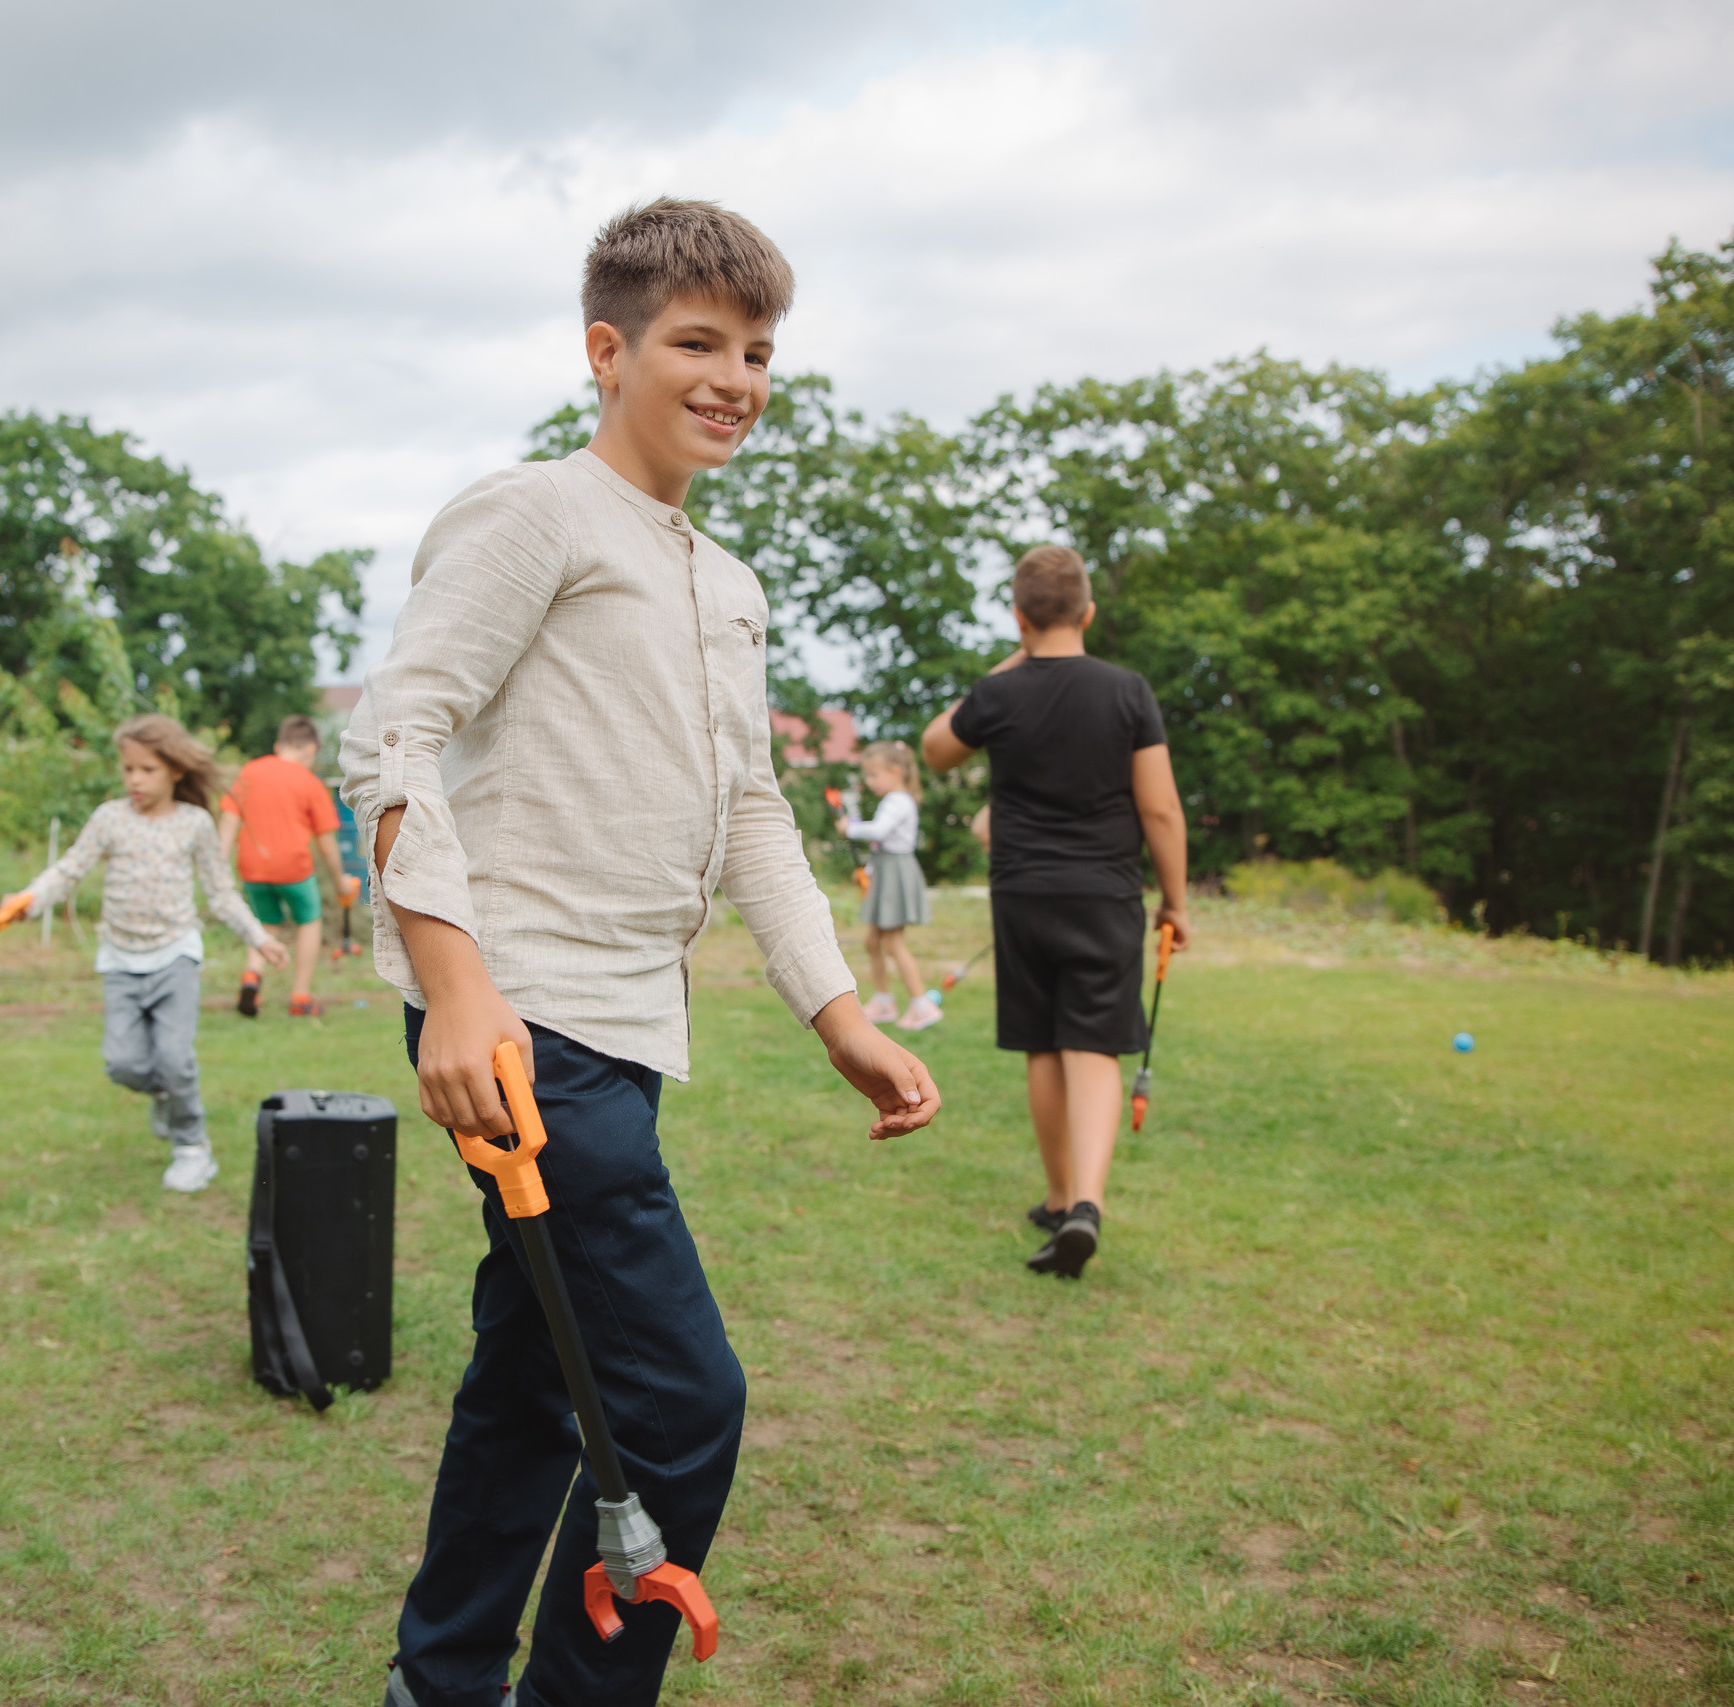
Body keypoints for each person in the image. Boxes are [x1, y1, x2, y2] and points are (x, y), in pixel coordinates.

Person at [342, 198, 942, 1707]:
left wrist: (839, 1012)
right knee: (682, 1397)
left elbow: (748, 806)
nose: (735, 374)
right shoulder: (532, 512)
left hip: (628, 1025)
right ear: (608, 351)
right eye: (698, 342)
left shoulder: (726, 583)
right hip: (526, 1025)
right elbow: (391, 735)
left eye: (757, 349)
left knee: (538, 1379)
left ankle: (443, 1674)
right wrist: (455, 978)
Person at [922, 545, 1190, 1279]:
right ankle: (1086, 1203)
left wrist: (1014, 660)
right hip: (1103, 892)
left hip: (1022, 893)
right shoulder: (1127, 690)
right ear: (1090, 612)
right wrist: (1175, 899)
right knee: (1092, 1045)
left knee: (1042, 1044)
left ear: (1019, 617)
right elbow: (1160, 809)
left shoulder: (1000, 693)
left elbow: (935, 748)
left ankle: (1056, 1193)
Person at [6, 714, 286, 1195]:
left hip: (175, 954)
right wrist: (30, 899)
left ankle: (193, 1148)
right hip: (119, 959)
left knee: (176, 1059)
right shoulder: (109, 818)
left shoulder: (195, 824)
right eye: (128, 769)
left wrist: (257, 937)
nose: (134, 779)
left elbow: (220, 893)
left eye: (146, 770)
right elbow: (70, 869)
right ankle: (163, 1094)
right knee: (122, 1064)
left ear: (176, 770)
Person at [220, 713, 346, 1018]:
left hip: (251, 866)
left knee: (265, 922)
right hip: (294, 869)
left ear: (279, 745)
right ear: (310, 750)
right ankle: (299, 996)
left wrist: (218, 869)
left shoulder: (249, 772)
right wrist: (340, 879)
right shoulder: (309, 782)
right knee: (309, 921)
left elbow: (228, 821)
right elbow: (327, 843)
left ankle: (252, 974)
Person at [843, 740, 940, 1032]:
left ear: (895, 771)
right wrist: (870, 871)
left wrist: (848, 827)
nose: (869, 782)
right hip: (886, 870)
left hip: (897, 873)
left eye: (874, 775)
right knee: (873, 941)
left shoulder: (899, 801)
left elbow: (880, 831)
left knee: (893, 943)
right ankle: (884, 1001)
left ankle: (922, 1006)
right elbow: (882, 846)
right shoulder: (893, 800)